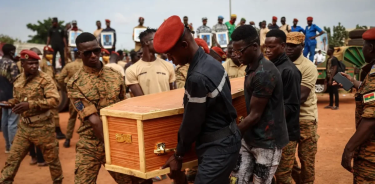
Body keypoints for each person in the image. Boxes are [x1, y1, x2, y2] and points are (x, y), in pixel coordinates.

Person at [155, 15, 241, 184]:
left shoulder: (197, 77)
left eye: (170, 54)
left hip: (217, 148)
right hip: (226, 140)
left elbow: (192, 123)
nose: (169, 59)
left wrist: (178, 154)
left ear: (184, 45)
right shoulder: (212, 62)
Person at [67, 32, 151, 184]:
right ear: (79, 54)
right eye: (87, 53)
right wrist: (113, 146)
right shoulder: (74, 84)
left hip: (119, 139)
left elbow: (124, 108)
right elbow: (93, 120)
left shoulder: (115, 76)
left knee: (135, 181)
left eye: (96, 51)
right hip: (90, 143)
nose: (93, 55)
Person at [230, 25, 288, 184]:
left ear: (254, 47)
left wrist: (230, 135)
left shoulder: (264, 72)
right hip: (250, 138)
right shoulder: (251, 67)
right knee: (236, 179)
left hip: (267, 143)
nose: (236, 55)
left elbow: (255, 115)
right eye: (234, 51)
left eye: (240, 51)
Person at [0, 50, 63, 184]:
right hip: (24, 128)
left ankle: (58, 182)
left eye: (36, 63)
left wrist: (31, 105)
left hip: (43, 127)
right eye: (30, 63)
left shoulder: (45, 79)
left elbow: (55, 100)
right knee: (12, 159)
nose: (34, 66)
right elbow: (18, 99)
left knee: (53, 161)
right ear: (22, 64)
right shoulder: (18, 80)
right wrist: (10, 103)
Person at [277, 31, 319, 184]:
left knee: (307, 162)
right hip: (287, 119)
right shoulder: (279, 65)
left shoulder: (308, 67)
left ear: (302, 46)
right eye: (287, 45)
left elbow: (299, 97)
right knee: (285, 164)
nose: (289, 48)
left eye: (293, 46)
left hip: (305, 119)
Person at [264, 30, 302, 184]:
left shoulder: (289, 71)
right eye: (266, 46)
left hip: (285, 134)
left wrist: (267, 123)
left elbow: (291, 105)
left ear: (283, 46)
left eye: (271, 47)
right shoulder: (271, 66)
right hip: (273, 132)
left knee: (282, 176)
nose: (267, 50)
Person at [339, 28, 375, 183]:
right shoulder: (371, 74)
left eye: (364, 46)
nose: (363, 50)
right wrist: (354, 83)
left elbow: (371, 119)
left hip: (371, 154)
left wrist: (349, 148)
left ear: (371, 48)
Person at [125, 28, 175, 96]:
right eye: (157, 39)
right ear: (146, 42)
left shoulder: (168, 66)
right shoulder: (131, 71)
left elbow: (171, 95)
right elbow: (141, 100)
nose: (160, 42)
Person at [57, 48, 83, 148]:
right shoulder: (86, 65)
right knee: (85, 119)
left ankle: (67, 140)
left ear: (75, 54)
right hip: (85, 98)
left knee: (72, 118)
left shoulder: (69, 66)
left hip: (74, 97)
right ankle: (83, 141)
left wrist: (66, 89)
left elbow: (60, 79)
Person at [39, 46, 66, 139]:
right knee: (53, 112)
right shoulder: (42, 64)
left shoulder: (48, 63)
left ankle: (53, 131)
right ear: (44, 54)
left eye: (51, 54)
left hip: (51, 90)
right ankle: (57, 131)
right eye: (48, 54)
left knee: (52, 112)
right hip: (47, 92)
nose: (50, 55)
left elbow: (53, 77)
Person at [0, 44, 20, 154]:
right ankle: (14, 148)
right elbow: (15, 81)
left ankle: (7, 146)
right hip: (12, 96)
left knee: (4, 120)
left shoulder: (0, 61)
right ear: (11, 52)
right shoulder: (12, 64)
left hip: (1, 95)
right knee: (13, 121)